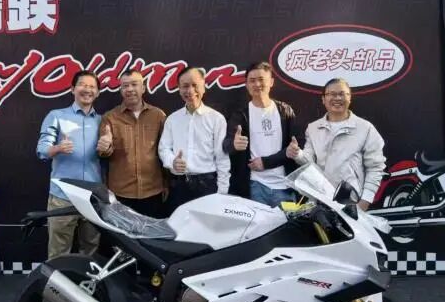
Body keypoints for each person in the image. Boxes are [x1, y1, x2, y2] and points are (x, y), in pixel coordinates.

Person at [287, 77, 385, 210]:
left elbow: (375, 167)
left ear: (349, 97)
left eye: (342, 94)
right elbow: (309, 162)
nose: (337, 98)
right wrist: (297, 154)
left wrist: (365, 201)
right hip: (320, 200)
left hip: (351, 201)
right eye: (332, 94)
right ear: (323, 99)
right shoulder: (313, 128)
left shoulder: (365, 128)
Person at [36, 70, 103, 259]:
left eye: (92, 86)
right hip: (62, 196)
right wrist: (57, 148)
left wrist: (108, 145)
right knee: (58, 252)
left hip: (92, 197)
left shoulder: (102, 121)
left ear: (97, 92)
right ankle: (56, 280)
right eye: (82, 85)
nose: (87, 90)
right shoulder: (56, 116)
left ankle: (86, 279)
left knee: (91, 249)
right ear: (73, 89)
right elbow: (41, 150)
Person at [223, 61, 298, 206]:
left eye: (261, 79)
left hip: (284, 186)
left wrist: (266, 162)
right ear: (246, 85)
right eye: (252, 81)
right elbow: (226, 145)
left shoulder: (285, 111)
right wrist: (234, 145)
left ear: (271, 82)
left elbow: (294, 147)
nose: (257, 84)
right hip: (254, 185)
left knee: (285, 222)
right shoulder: (241, 115)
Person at [97, 69, 167, 217]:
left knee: (150, 231)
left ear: (143, 88)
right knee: (122, 233)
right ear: (120, 90)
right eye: (125, 86)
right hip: (120, 194)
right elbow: (103, 153)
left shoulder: (158, 116)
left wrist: (166, 184)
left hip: (153, 192)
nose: (129, 89)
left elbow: (166, 151)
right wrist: (105, 147)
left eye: (134, 84)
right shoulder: (109, 117)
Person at [158, 66, 230, 210]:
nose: (190, 91)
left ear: (203, 86)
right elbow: (163, 149)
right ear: (179, 89)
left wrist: (222, 191)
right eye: (185, 86)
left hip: (207, 186)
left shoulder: (216, 119)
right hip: (179, 186)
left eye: (195, 85)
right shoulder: (172, 119)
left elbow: (222, 157)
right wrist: (172, 162)